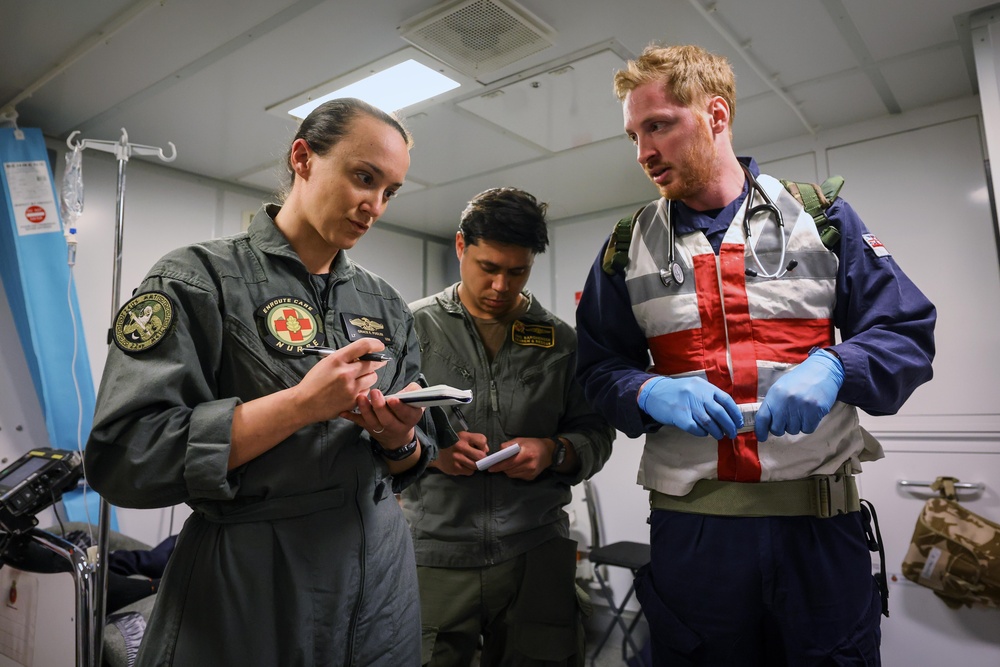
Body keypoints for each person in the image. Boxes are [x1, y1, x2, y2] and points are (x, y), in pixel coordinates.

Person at [575, 44, 936, 666]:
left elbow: (906, 331)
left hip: (819, 529)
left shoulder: (819, 218)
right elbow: (596, 368)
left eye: (658, 125)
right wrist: (644, 391)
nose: (643, 152)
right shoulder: (627, 247)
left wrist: (835, 366)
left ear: (716, 115)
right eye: (634, 134)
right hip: (695, 540)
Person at [84, 98, 436, 666]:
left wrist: (400, 439)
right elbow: (128, 457)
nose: (374, 205)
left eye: (390, 191)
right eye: (363, 177)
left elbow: (414, 459)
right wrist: (300, 404)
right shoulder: (199, 280)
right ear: (303, 157)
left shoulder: (385, 304)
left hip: (380, 582)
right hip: (256, 579)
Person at [401, 187, 615, 666]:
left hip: (534, 551)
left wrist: (554, 451)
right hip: (434, 553)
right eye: (488, 268)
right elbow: (372, 431)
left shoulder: (560, 341)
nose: (500, 286)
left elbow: (597, 433)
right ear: (461, 247)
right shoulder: (411, 329)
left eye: (516, 272)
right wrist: (428, 451)